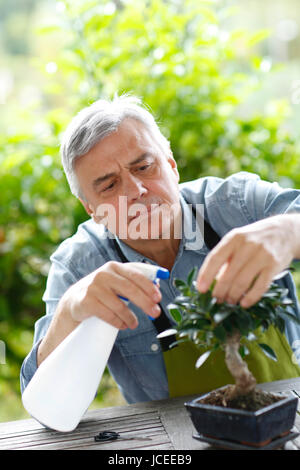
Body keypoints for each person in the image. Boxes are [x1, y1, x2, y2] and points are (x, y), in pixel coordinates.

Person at [20, 94, 300, 403]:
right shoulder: (78, 266)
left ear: (171, 166)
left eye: (143, 167)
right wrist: (70, 312)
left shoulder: (239, 205)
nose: (136, 191)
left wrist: (289, 230)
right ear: (91, 209)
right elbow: (41, 401)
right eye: (109, 186)